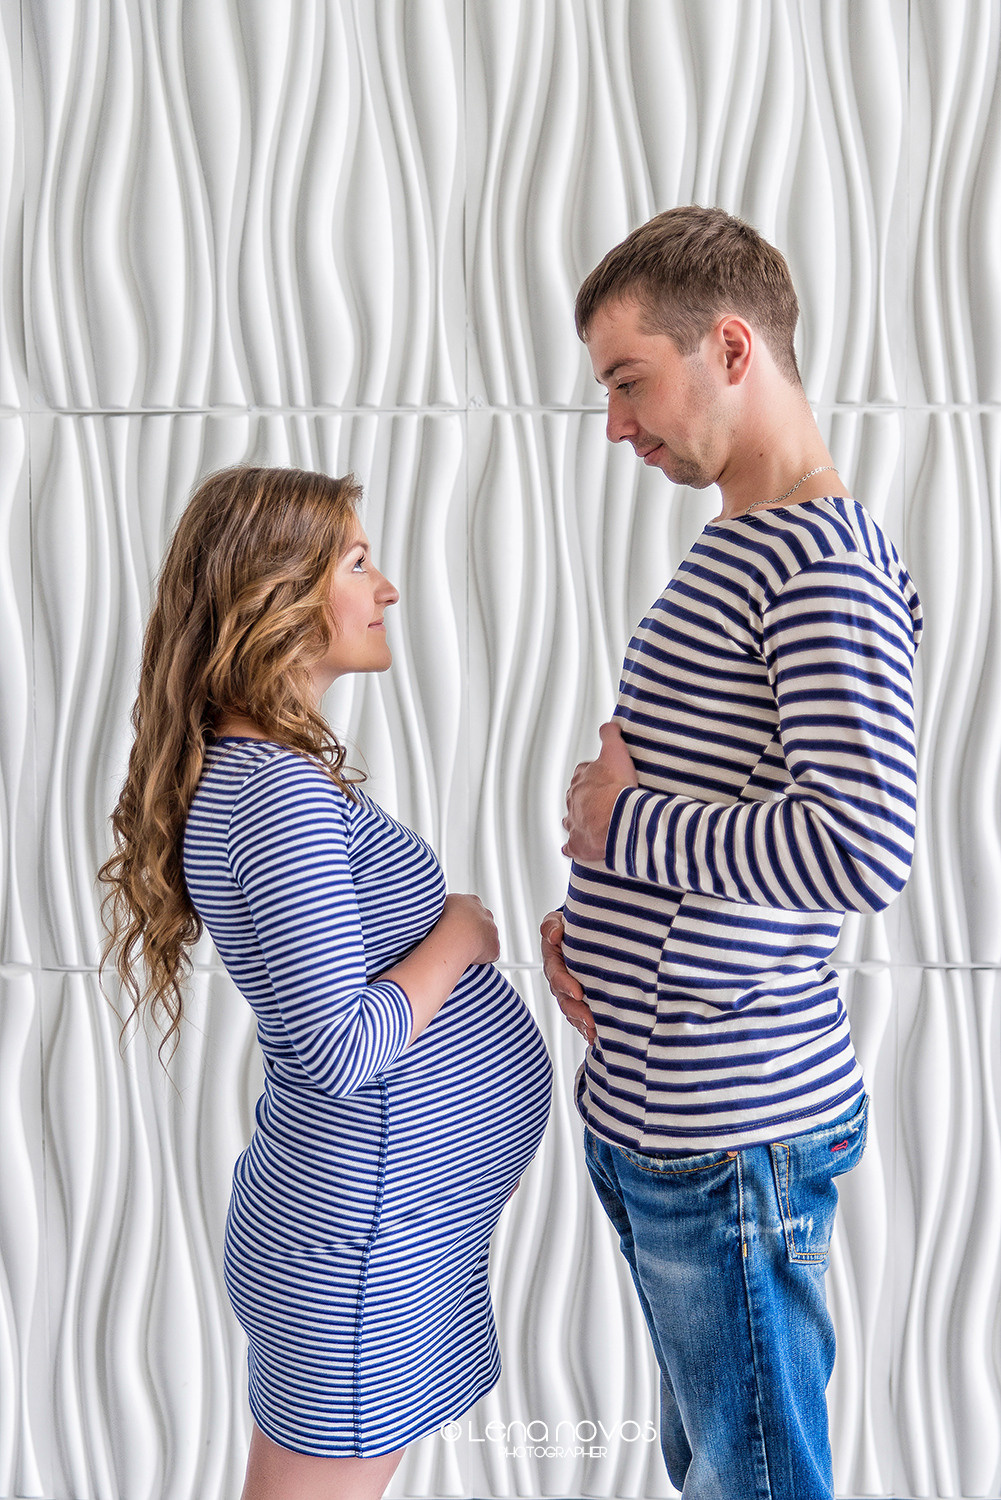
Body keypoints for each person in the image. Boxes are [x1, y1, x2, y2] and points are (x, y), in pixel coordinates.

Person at [540, 207, 921, 1500]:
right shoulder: (748, 544)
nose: (616, 425)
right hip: (668, 1116)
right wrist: (595, 918)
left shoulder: (819, 564)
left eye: (628, 381)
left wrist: (620, 828)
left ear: (732, 348)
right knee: (714, 1469)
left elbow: (857, 849)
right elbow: (728, 803)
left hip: (730, 1133)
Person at [100, 465, 552, 1500]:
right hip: (356, 1245)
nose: (386, 587)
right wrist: (458, 934)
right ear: (276, 595)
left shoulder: (257, 775)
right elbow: (341, 1049)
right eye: (356, 562)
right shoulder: (277, 798)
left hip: (375, 1228)